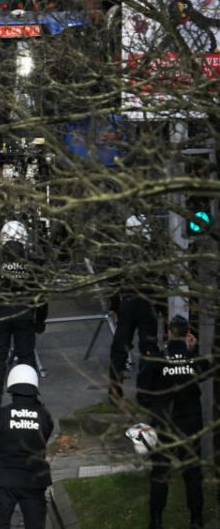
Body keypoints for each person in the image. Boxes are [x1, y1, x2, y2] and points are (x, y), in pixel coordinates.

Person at [139, 316, 207, 529]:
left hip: (164, 423)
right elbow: (206, 371)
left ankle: (156, 520)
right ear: (187, 334)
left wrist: (155, 408)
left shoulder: (157, 360)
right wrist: (193, 350)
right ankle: (196, 519)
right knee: (192, 471)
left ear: (168, 333)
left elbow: (142, 393)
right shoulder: (194, 360)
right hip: (190, 424)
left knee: (160, 472)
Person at [0, 221, 46, 410]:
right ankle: (28, 400)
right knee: (26, 356)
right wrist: (41, 319)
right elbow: (41, 293)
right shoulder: (33, 261)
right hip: (25, 314)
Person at [0, 364, 53, 529]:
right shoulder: (43, 416)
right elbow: (45, 437)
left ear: (12, 389)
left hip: (4, 478)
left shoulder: (1, 415)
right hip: (34, 479)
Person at [108, 214, 161, 405]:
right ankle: (147, 391)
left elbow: (113, 282)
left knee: (119, 348)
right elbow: (161, 280)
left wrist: (115, 307)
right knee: (149, 348)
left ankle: (115, 391)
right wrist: (161, 307)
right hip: (148, 303)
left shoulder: (121, 253)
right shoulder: (153, 252)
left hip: (128, 303)